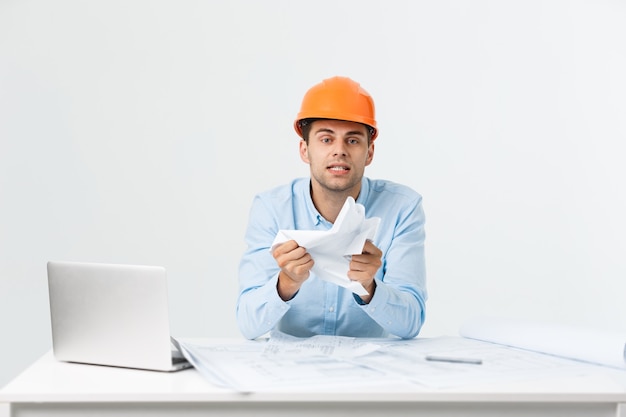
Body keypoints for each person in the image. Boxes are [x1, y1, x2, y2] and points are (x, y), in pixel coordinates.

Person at [236, 76, 427, 339]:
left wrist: (369, 288)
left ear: (369, 152)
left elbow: (411, 324)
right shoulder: (271, 208)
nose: (339, 151)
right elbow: (248, 324)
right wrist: (286, 284)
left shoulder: (402, 207)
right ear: (305, 150)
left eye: (353, 140)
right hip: (291, 370)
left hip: (370, 370)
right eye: (326, 139)